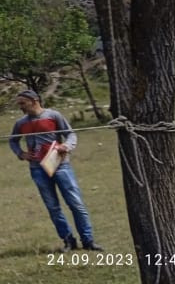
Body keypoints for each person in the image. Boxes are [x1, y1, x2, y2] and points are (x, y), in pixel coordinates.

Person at [9, 90, 104, 252]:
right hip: (37, 169)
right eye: (19, 104)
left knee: (76, 204)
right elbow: (13, 141)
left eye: (23, 103)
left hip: (61, 166)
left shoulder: (53, 115)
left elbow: (70, 134)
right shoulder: (20, 123)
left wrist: (66, 146)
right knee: (53, 207)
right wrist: (21, 153)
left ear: (34, 100)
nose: (20, 107)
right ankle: (68, 241)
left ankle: (88, 240)